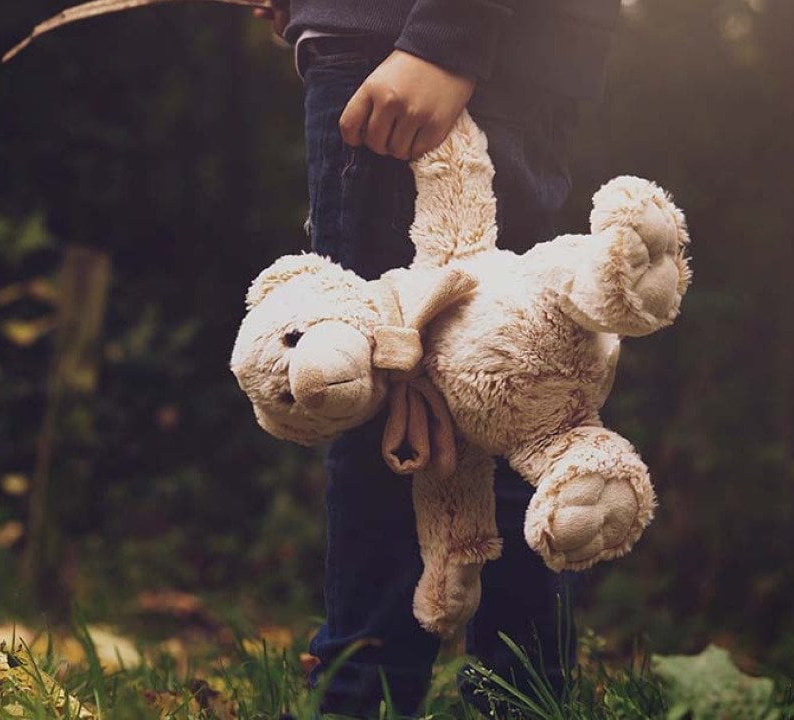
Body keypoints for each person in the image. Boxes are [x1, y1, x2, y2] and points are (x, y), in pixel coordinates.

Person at [253, 1, 623, 716]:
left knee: (391, 392)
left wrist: (449, 37)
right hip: (460, 46)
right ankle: (521, 699)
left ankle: (363, 702)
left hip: (425, 48)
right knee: (510, 390)